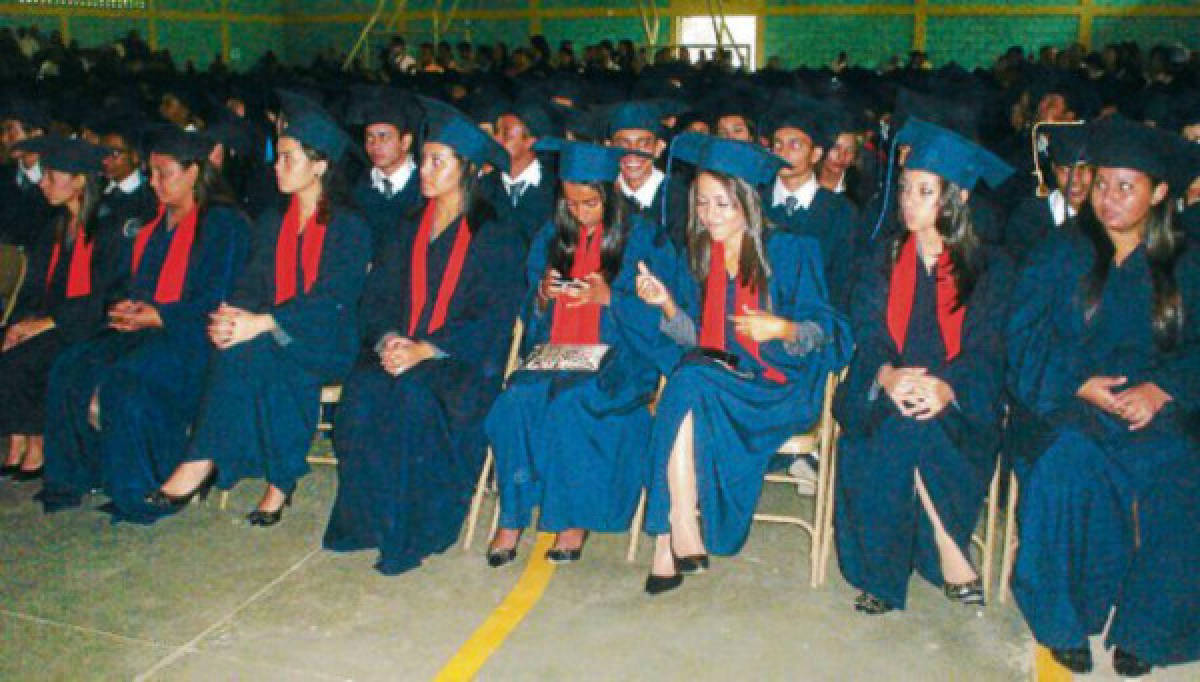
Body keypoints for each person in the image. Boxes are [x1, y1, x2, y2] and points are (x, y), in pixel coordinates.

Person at [1007, 116, 1200, 676]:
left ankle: (1150, 629)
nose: (1108, 198)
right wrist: (1077, 382)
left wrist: (1163, 389)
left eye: (1126, 187)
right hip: (1066, 402)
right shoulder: (1058, 252)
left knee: (1185, 473)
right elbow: (1022, 337)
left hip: (1154, 409)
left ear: (1159, 192)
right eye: (1101, 183)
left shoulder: (1186, 262)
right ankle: (1061, 621)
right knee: (1066, 462)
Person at [633, 133, 852, 594]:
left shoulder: (793, 251)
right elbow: (701, 340)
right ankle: (675, 528)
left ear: (749, 205)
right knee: (691, 378)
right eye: (702, 204)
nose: (709, 216)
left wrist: (783, 329)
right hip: (717, 382)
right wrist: (669, 305)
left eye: (722, 205)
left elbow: (830, 333)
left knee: (689, 381)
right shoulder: (700, 256)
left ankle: (669, 532)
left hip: (775, 388)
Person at [149, 94, 371, 525]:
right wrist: (230, 314)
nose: (276, 167)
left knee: (266, 351)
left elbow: (333, 299)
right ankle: (226, 463)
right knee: (240, 346)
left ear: (320, 164)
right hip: (276, 332)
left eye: (288, 159)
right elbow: (253, 282)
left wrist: (266, 321)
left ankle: (243, 469)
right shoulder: (273, 221)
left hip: (328, 338)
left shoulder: (349, 226)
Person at [322, 101, 524, 574]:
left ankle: (415, 530)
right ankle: (366, 522)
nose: (425, 171)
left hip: (461, 363)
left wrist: (425, 349)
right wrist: (390, 339)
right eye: (426, 159)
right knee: (363, 391)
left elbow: (492, 318)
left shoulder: (497, 235)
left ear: (468, 169)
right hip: (402, 350)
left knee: (412, 397)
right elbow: (377, 297)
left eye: (438, 161)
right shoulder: (408, 226)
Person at [833, 118, 1015, 615]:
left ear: (954, 198)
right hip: (886, 385)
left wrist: (946, 388)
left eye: (924, 191)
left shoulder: (990, 268)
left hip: (957, 397)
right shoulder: (881, 257)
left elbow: (988, 349)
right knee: (897, 426)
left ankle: (884, 577)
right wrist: (888, 376)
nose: (908, 201)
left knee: (915, 429)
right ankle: (951, 553)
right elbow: (868, 331)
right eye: (906, 190)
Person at [484, 139, 683, 566]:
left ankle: (572, 518)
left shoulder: (647, 238)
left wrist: (612, 298)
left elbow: (666, 315)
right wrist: (542, 295)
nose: (580, 213)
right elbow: (530, 310)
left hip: (621, 360)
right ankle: (512, 515)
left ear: (610, 193)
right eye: (571, 204)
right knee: (514, 402)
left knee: (571, 404)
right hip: (556, 353)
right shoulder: (550, 236)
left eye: (590, 203)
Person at [37, 127, 249, 518]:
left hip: (195, 338)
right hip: (151, 330)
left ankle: (140, 487)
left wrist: (160, 315)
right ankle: (75, 477)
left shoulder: (224, 226)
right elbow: (138, 287)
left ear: (193, 173)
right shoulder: (155, 223)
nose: (154, 183)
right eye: (151, 173)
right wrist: (130, 309)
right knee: (71, 366)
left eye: (164, 173)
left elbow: (220, 298)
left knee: (126, 379)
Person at [0, 137, 127, 480]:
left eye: (51, 176)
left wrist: (46, 323)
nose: (42, 183)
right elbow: (34, 288)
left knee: (26, 357)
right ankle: (17, 440)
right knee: (9, 343)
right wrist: (18, 323)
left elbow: (105, 296)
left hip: (90, 324)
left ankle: (37, 444)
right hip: (53, 319)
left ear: (80, 181)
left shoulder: (110, 228)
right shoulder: (55, 226)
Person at [760, 100, 858, 311]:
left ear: (815, 154)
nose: (783, 152)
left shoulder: (840, 211)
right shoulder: (754, 203)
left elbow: (844, 283)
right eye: (778, 144)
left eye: (796, 145)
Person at [350, 87, 423, 259]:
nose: (375, 145)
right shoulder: (356, 190)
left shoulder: (425, 188)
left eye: (384, 137)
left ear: (405, 142)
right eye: (370, 138)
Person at [1003, 123, 1092, 264]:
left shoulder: (1109, 218)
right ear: (1054, 169)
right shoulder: (1028, 218)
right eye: (1065, 170)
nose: (1075, 180)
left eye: (1083, 169)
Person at [478, 97, 559, 249]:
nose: (495, 139)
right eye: (496, 132)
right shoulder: (481, 187)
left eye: (505, 134)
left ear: (530, 141)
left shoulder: (555, 189)